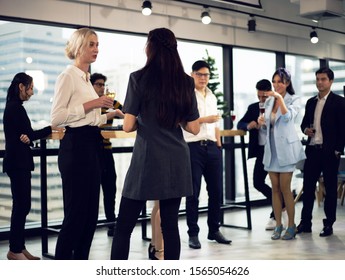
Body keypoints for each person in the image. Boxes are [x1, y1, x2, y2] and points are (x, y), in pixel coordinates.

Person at [110, 27, 200, 260]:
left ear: (151, 47)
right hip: (176, 160)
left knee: (124, 227)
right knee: (170, 227)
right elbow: (194, 127)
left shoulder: (138, 78)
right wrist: (173, 117)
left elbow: (128, 126)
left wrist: (145, 119)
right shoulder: (185, 82)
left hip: (147, 159)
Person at [51, 27, 117, 259]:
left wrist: (110, 114)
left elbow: (91, 120)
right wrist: (93, 103)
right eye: (91, 44)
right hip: (75, 147)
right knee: (76, 215)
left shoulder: (87, 80)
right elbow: (57, 118)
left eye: (97, 44)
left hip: (91, 145)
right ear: (78, 47)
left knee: (90, 216)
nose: (96, 49)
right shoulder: (67, 76)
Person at [3, 72, 60, 260]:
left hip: (19, 163)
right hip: (18, 163)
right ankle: (14, 250)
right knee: (21, 206)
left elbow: (26, 136)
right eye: (31, 88)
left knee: (22, 206)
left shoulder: (14, 107)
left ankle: (19, 247)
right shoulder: (15, 108)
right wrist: (51, 129)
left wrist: (28, 138)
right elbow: (28, 133)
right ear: (21, 87)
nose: (32, 92)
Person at [183, 60, 231, 250]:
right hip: (193, 147)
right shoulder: (187, 96)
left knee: (216, 192)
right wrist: (204, 120)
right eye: (199, 74)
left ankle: (214, 229)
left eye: (206, 75)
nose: (203, 78)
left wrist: (218, 145)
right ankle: (193, 234)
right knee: (193, 193)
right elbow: (184, 121)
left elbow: (217, 124)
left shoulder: (211, 96)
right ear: (192, 74)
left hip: (212, 148)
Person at [257, 68, 305, 240]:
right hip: (272, 151)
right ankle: (278, 224)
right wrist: (262, 123)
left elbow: (287, 118)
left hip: (286, 151)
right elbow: (268, 125)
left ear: (287, 83)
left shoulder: (294, 99)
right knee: (274, 189)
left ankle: (291, 225)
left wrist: (278, 98)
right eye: (275, 81)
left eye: (280, 82)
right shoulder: (269, 101)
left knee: (285, 189)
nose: (277, 85)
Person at [296, 67, 345, 237]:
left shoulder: (339, 102)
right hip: (312, 151)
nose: (319, 82)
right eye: (317, 79)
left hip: (330, 153)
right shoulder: (310, 102)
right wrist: (305, 131)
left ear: (330, 81)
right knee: (308, 188)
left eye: (323, 79)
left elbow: (343, 129)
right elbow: (303, 124)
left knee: (330, 190)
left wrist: (338, 150)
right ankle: (305, 223)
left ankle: (329, 224)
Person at [237, 79, 277, 230]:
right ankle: (282, 205)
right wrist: (249, 125)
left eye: (264, 97)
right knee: (257, 182)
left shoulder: (276, 105)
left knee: (277, 184)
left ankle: (275, 215)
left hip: (274, 150)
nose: (261, 99)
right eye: (259, 96)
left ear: (270, 93)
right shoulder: (253, 108)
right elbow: (239, 124)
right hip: (261, 151)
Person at [90, 73, 124, 237]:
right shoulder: (89, 103)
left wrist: (120, 113)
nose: (102, 87)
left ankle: (111, 223)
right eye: (98, 84)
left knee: (110, 187)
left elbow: (126, 111)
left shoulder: (110, 103)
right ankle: (89, 224)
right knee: (92, 190)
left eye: (103, 84)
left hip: (106, 151)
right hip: (92, 152)